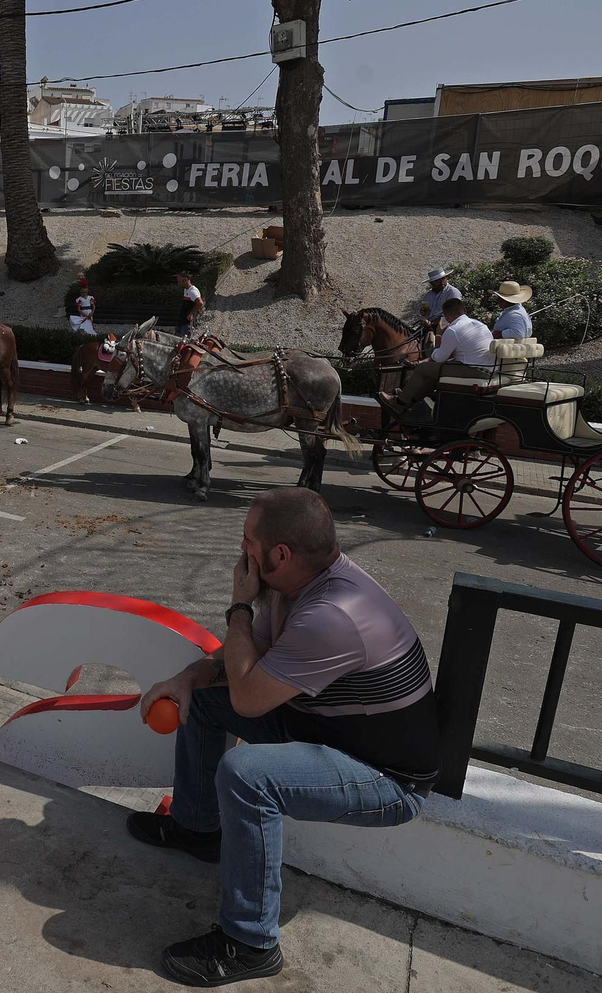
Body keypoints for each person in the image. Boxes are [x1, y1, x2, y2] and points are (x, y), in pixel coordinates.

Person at [131, 487, 437, 985]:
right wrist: (191, 676)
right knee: (204, 706)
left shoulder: (333, 614)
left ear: (280, 554)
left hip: (386, 777)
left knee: (247, 775)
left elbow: (249, 697)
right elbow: (244, 667)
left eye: (248, 539)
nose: (241, 548)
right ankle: (197, 830)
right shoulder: (294, 586)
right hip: (321, 728)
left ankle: (250, 944)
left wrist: (238, 607)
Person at [380, 297, 494, 412]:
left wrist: (439, 334)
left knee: (422, 369)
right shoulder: (480, 325)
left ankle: (400, 403)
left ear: (446, 316)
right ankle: (412, 400)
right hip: (489, 370)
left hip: (474, 370)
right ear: (464, 310)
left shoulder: (453, 329)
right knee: (434, 374)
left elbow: (440, 358)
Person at [417, 267, 463, 338]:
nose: (441, 282)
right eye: (437, 281)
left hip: (447, 325)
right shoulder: (428, 295)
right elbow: (425, 309)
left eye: (443, 279)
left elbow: (452, 314)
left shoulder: (453, 292)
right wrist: (423, 311)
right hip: (431, 325)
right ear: (431, 283)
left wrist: (432, 323)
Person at [177, 273, 204, 338]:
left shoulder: (193, 291)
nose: (179, 284)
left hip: (187, 324)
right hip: (182, 321)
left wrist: (191, 314)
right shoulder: (186, 290)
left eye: (179, 282)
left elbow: (200, 303)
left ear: (185, 280)